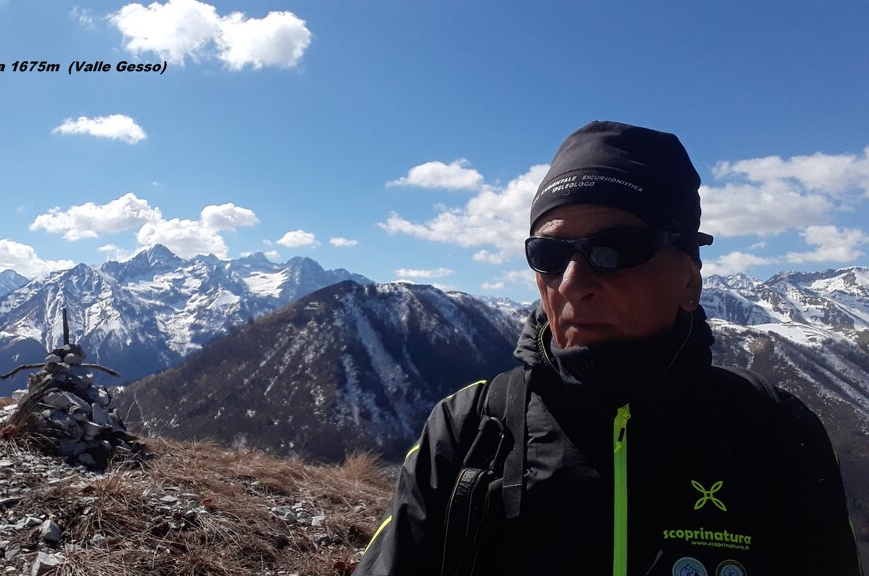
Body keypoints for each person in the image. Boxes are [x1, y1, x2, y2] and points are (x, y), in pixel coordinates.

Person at [354, 121, 862, 575]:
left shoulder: (777, 434)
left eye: (616, 249)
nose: (573, 283)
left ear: (690, 279)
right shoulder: (468, 429)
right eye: (549, 253)